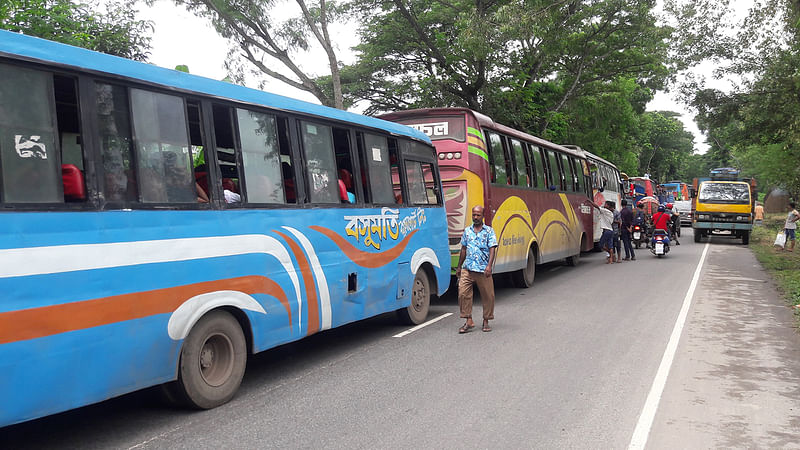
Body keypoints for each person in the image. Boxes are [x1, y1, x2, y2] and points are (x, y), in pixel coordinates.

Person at [456, 205, 498, 333]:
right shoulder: (467, 231)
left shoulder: (489, 231)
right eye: (474, 214)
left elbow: (492, 249)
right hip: (468, 268)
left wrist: (489, 266)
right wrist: (459, 266)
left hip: (483, 269)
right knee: (463, 293)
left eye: (478, 215)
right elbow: (463, 249)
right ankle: (468, 320)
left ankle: (486, 320)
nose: (475, 217)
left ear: (483, 216)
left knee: (488, 296)